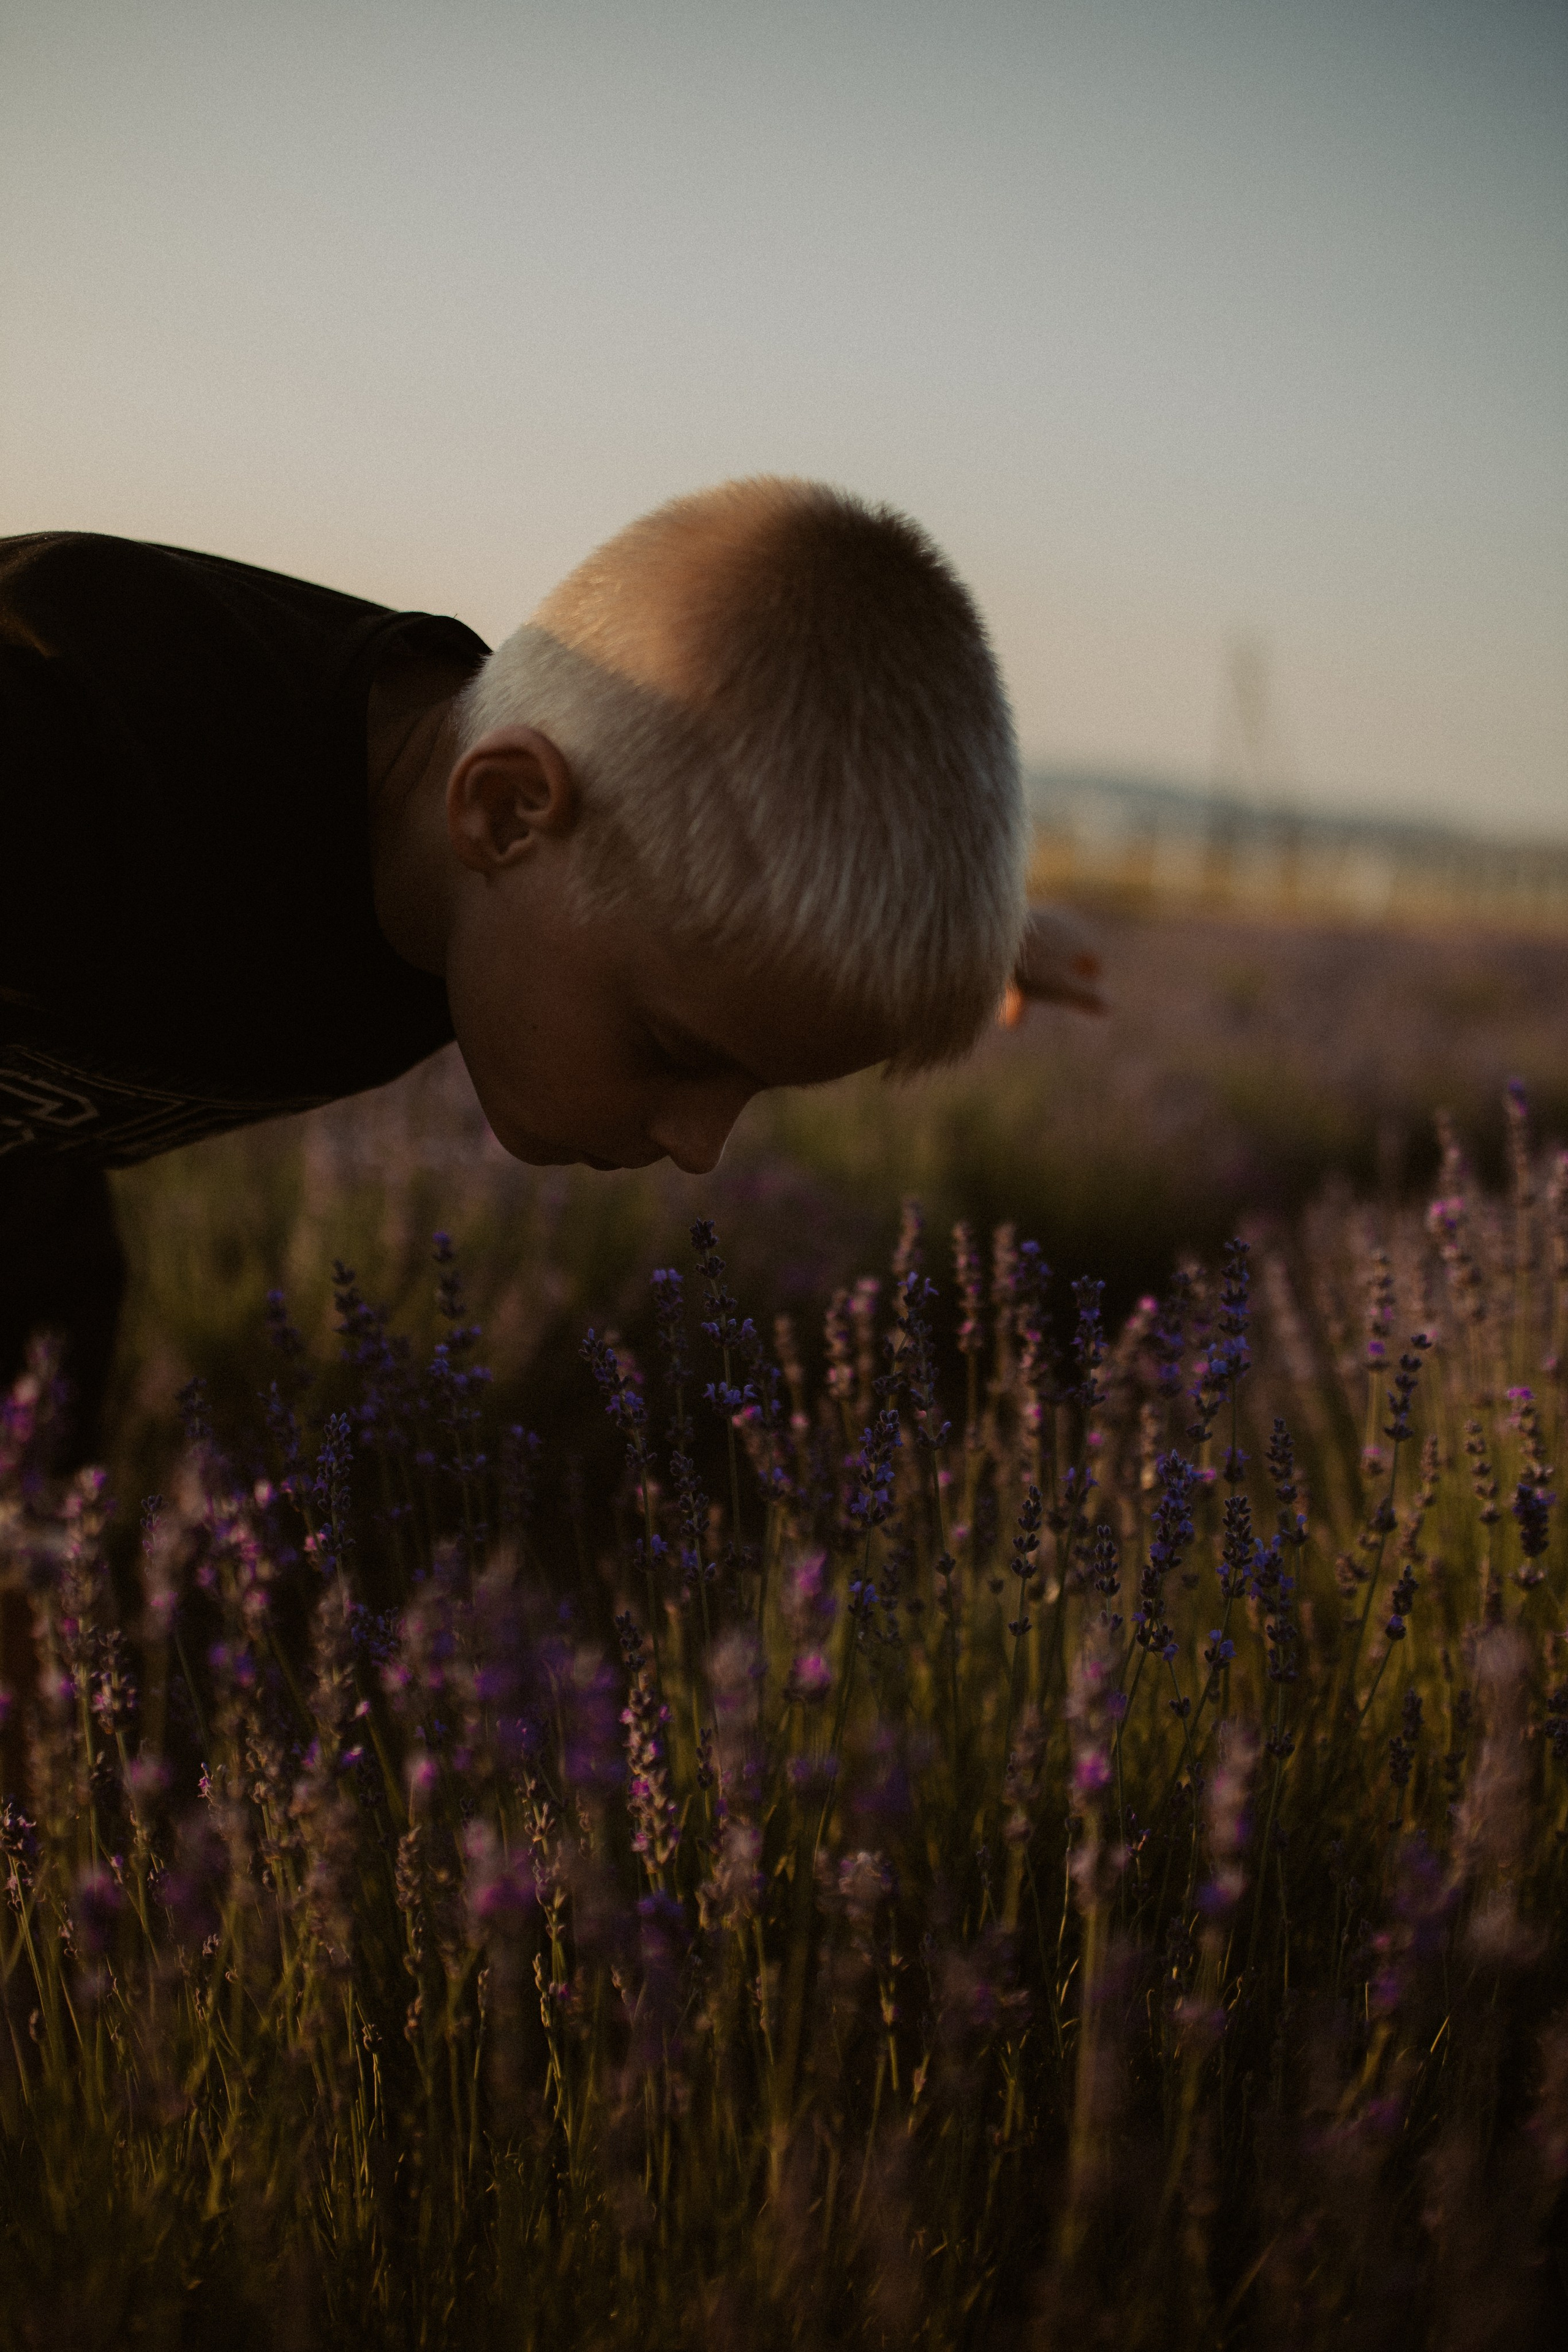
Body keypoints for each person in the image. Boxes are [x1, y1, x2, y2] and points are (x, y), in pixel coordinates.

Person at [0, 476, 1101, 1456]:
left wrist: (963, 934)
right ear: (505, 811)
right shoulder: (74, 755)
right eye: (673, 1050)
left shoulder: (539, 859)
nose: (700, 1145)